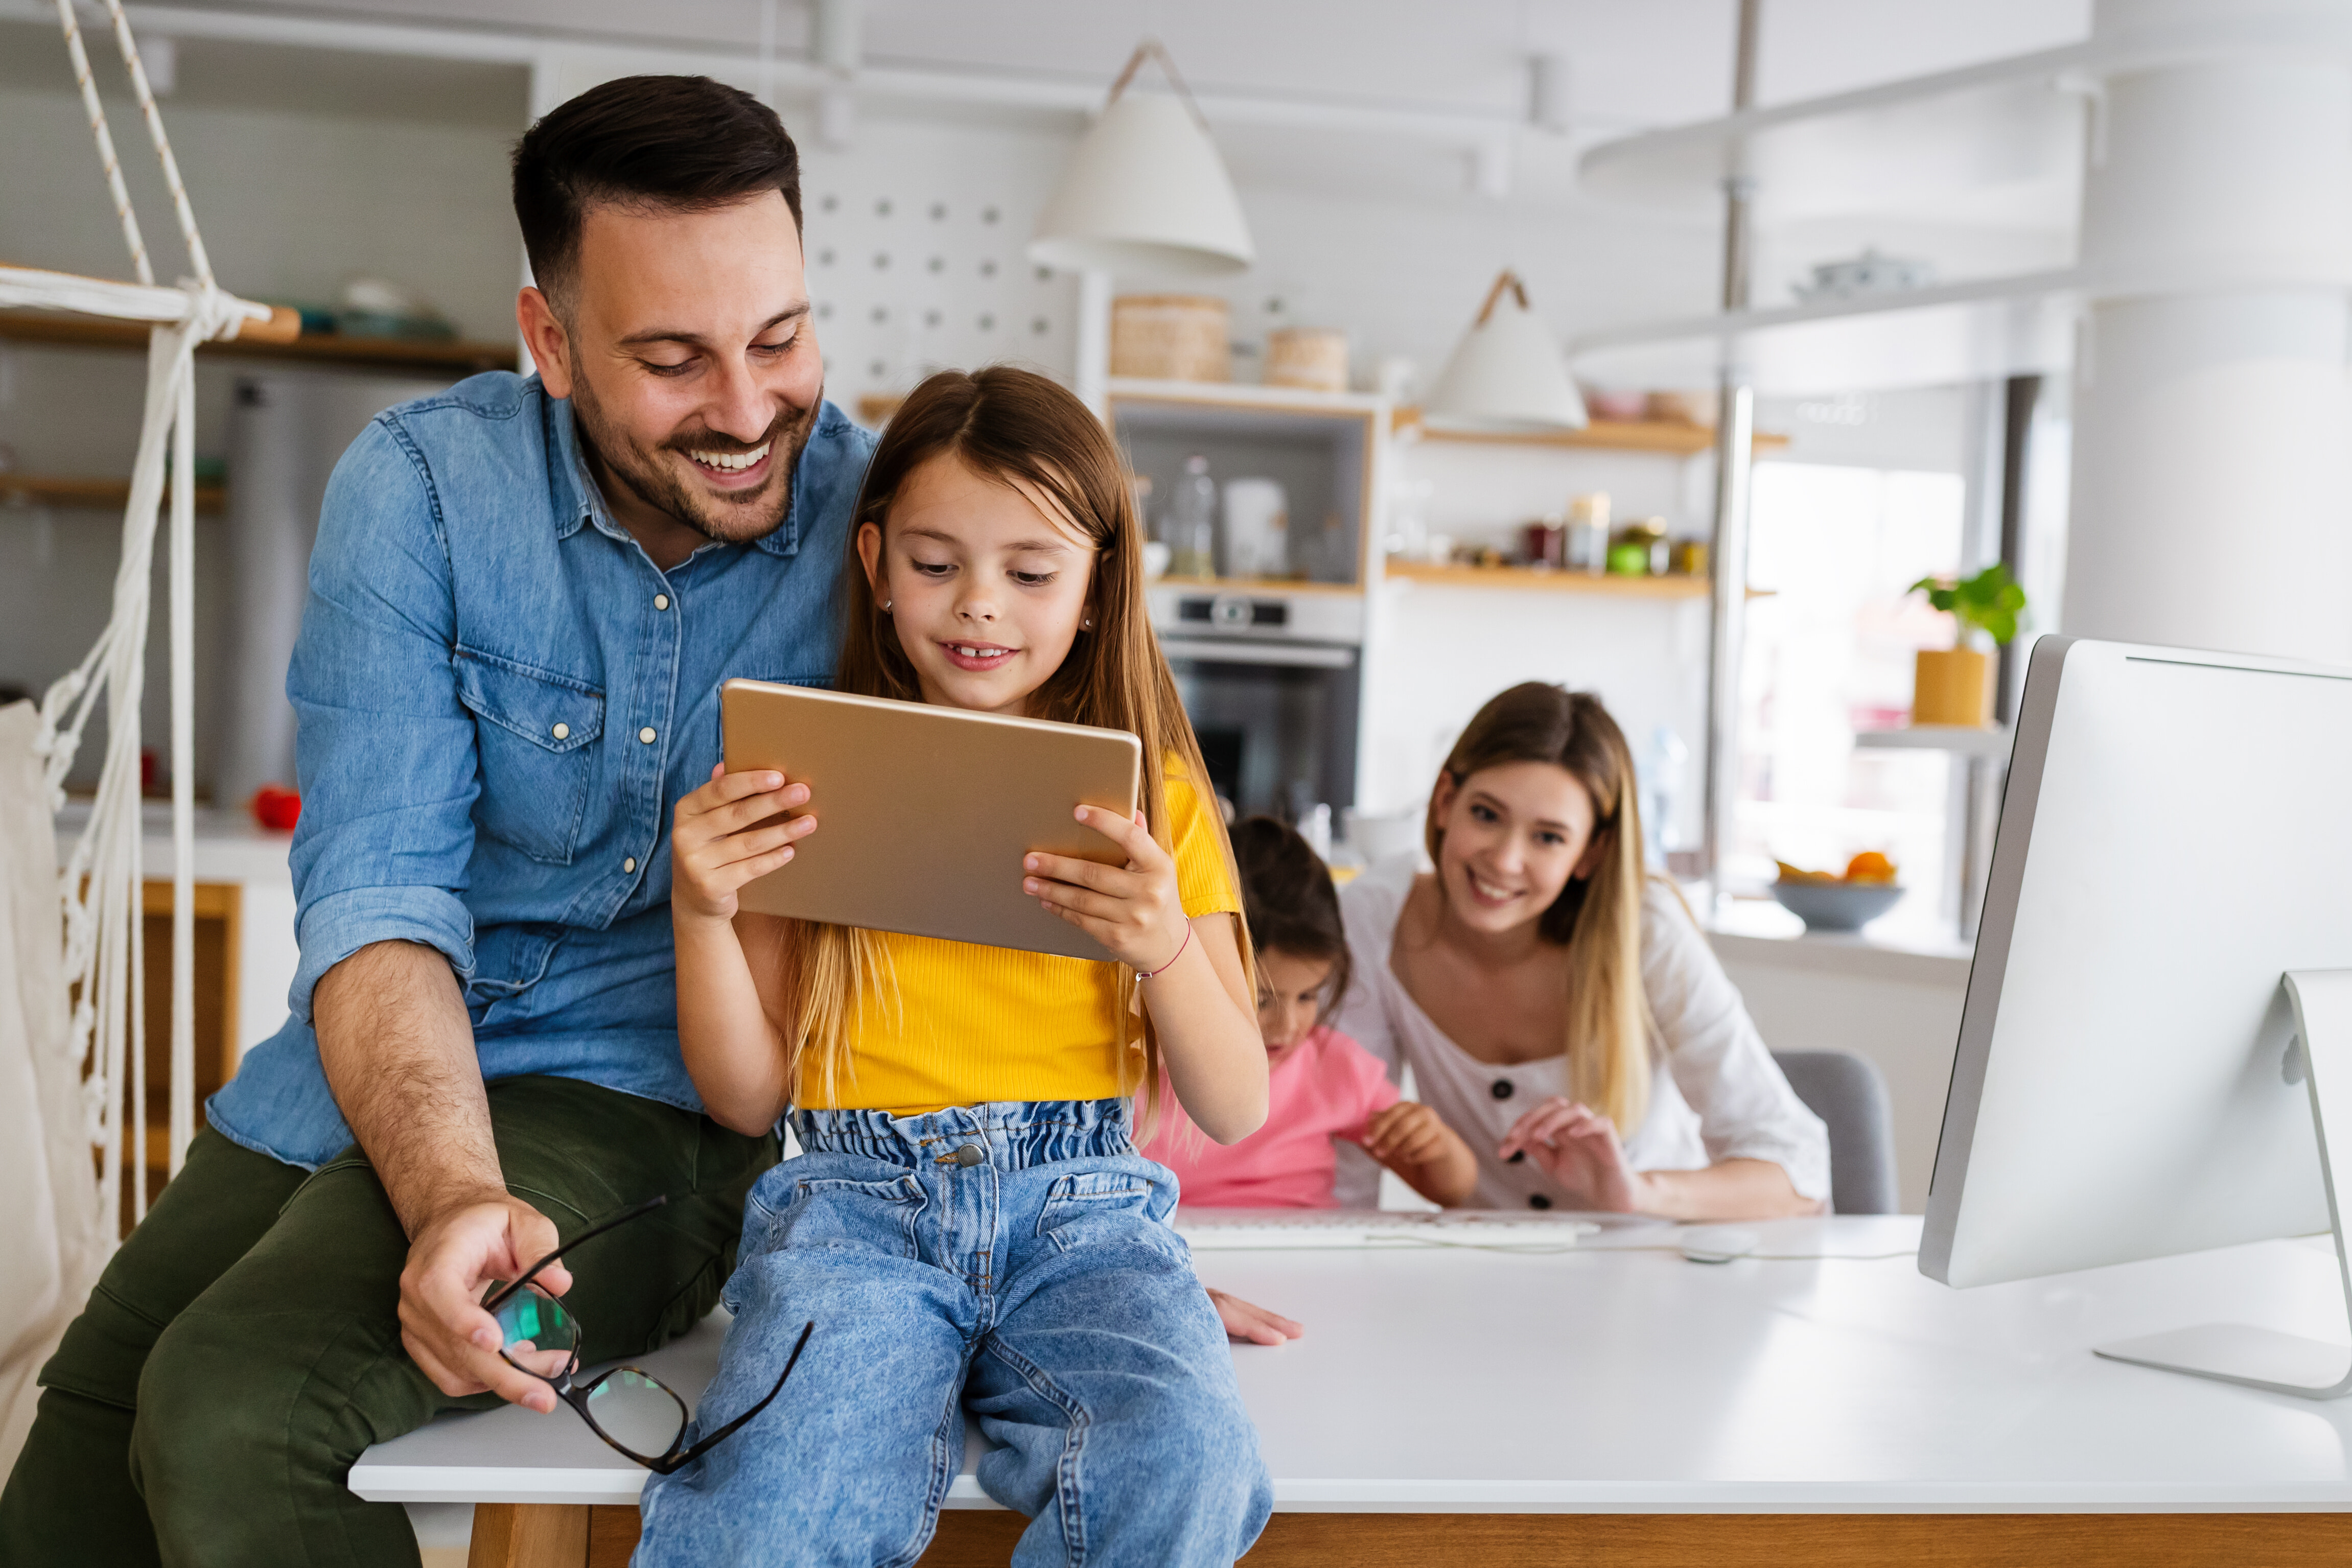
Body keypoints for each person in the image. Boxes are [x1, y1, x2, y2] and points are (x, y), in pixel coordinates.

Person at [0, 77, 879, 1568]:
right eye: (671, 359)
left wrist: (1072, 1239)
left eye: (779, 338)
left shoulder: (886, 528)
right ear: (549, 342)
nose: (746, 410)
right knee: (72, 1481)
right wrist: (452, 1182)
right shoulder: (416, 487)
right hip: (349, 1083)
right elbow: (381, 894)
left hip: (646, 1125)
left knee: (237, 1416)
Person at [638, 366, 1274, 1565]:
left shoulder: (1161, 806)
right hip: (853, 1210)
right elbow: (745, 1095)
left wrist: (1163, 948)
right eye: (936, 565)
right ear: (874, 564)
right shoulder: (802, 775)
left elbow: (1234, 1102)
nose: (980, 605)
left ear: (1095, 588)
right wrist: (702, 909)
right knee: (778, 1498)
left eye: (1029, 573)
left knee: (1188, 1457)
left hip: (1083, 1211)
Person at [1331, 683, 1830, 1217]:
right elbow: (1341, 1146)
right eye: (1485, 814)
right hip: (1480, 1277)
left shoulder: (1645, 929)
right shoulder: (1374, 915)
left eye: (1547, 838)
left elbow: (1797, 1169)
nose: (1504, 860)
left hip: (1648, 1263)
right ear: (1445, 802)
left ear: (1591, 852)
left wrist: (1639, 1193)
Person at [1144, 815, 1477, 1208]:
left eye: (1308, 996)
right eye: (1263, 999)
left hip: (1307, 1259)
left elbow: (1451, 1190)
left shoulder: (1332, 1066)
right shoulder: (1137, 1070)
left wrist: (1437, 1146)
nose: (1287, 1027)